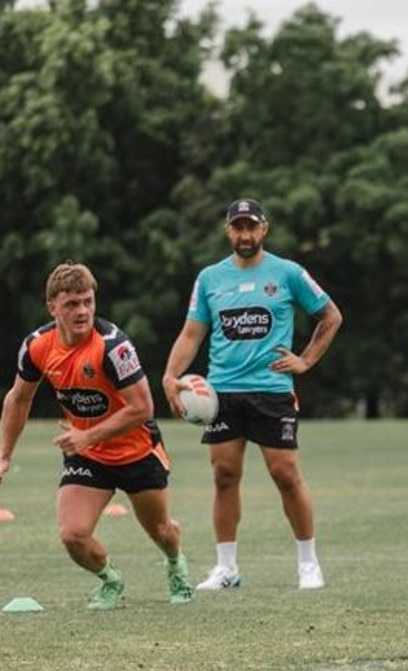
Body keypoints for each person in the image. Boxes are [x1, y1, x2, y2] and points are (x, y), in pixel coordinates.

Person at [163, 198, 342, 591]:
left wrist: (306, 360)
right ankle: (227, 568)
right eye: (238, 227)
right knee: (224, 476)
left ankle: (308, 563)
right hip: (222, 392)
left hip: (272, 390)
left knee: (286, 474)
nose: (245, 234)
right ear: (229, 231)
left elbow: (331, 315)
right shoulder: (210, 278)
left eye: (252, 227)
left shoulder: (289, 273)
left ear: (264, 229)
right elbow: (192, 333)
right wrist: (170, 375)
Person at [0, 263, 194, 610]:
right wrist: (4, 454)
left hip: (136, 451)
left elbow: (142, 408)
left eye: (88, 301)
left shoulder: (112, 347)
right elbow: (19, 399)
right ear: (52, 307)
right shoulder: (36, 346)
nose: (83, 311)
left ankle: (175, 562)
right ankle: (111, 579)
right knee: (72, 534)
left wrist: (88, 437)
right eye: (72, 304)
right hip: (87, 455)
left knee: (161, 530)